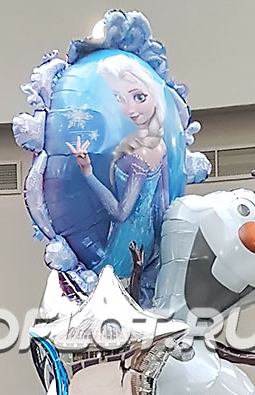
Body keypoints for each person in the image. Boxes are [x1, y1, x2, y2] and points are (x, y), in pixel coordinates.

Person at [67, 55, 169, 279]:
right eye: (119, 98)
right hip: (146, 239)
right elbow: (163, 202)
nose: (131, 109)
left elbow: (121, 213)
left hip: (128, 242)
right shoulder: (158, 146)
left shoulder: (141, 155)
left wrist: (88, 173)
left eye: (139, 97)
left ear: (154, 93)